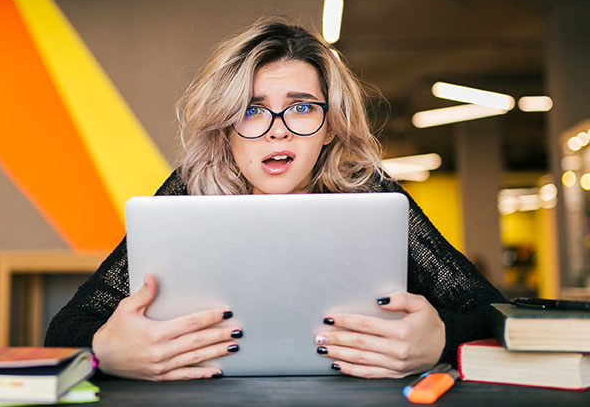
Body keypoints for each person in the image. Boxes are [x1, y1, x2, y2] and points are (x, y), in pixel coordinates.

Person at [45, 19, 506, 381]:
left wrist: (440, 340)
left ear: (329, 127)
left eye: (302, 106)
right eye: (252, 109)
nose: (277, 128)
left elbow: (491, 312)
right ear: (228, 129)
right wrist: (107, 350)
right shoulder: (191, 189)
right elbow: (65, 328)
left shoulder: (369, 190)